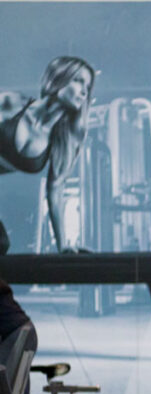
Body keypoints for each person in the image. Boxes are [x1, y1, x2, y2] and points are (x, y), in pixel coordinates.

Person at [0, 56, 96, 253]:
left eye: (87, 86)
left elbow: (55, 192)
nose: (84, 91)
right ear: (58, 78)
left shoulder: (63, 140)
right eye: (78, 81)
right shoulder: (11, 103)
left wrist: (63, 247)